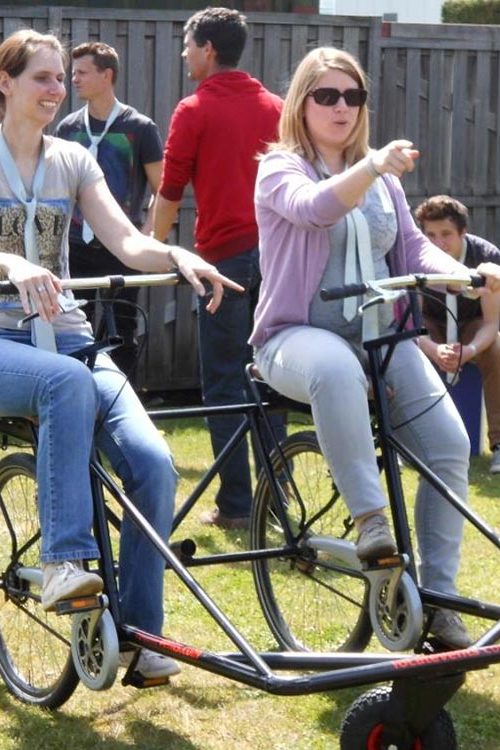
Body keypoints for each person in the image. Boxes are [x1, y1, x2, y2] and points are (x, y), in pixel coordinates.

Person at [0, 29, 242, 679]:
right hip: (6, 344)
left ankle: (138, 638)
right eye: (43, 78)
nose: (57, 89)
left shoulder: (72, 160)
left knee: (155, 466)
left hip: (67, 337)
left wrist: (177, 254)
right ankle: (63, 561)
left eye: (61, 77)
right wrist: (12, 262)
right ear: (5, 82)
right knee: (64, 384)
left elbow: (129, 243)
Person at [249, 46, 500, 649]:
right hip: (293, 337)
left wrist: (472, 276)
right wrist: (371, 167)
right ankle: (371, 525)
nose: (341, 107)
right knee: (336, 370)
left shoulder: (381, 179)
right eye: (326, 96)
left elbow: (413, 252)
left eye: (353, 96)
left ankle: (439, 602)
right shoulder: (280, 167)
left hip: (382, 336)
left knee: (450, 445)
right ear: (301, 103)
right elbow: (314, 209)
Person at [153, 7, 284, 530]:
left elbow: (170, 190)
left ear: (208, 49)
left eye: (188, 45)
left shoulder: (194, 108)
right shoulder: (276, 106)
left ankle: (236, 507)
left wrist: (150, 247)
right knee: (271, 377)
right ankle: (277, 502)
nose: (184, 54)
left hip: (223, 263)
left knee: (226, 381)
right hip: (278, 260)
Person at [54, 42, 163, 377]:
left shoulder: (140, 128)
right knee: (74, 328)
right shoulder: (68, 128)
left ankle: (122, 396)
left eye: (82, 72)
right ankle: (81, 392)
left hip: (121, 248)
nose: (74, 79)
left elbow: (162, 188)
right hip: (76, 247)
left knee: (124, 330)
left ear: (107, 75)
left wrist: (147, 235)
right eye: (73, 73)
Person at [415, 195, 500, 474]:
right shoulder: (415, 256)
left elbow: (492, 323)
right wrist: (432, 349)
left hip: (473, 323)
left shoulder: (486, 257)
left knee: (497, 350)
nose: (438, 243)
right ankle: (409, 441)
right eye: (430, 235)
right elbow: (409, 322)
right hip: (431, 324)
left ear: (463, 232)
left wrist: (471, 350)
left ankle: (499, 443)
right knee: (401, 349)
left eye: (446, 234)